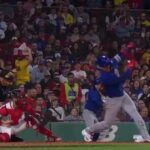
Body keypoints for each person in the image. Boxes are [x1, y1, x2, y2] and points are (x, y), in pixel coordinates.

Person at [82, 55, 150, 143]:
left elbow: (119, 55)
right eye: (106, 65)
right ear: (101, 67)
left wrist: (124, 56)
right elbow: (121, 78)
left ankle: (146, 136)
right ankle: (88, 130)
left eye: (107, 64)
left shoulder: (110, 63)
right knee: (107, 123)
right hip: (113, 100)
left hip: (123, 95)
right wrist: (129, 68)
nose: (108, 66)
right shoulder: (104, 77)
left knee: (135, 113)